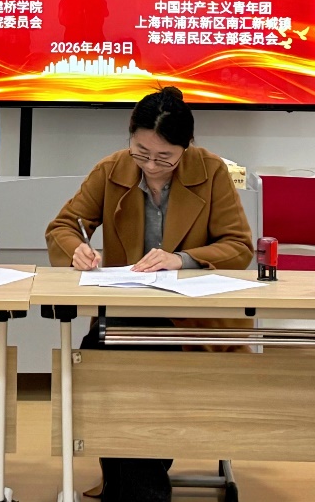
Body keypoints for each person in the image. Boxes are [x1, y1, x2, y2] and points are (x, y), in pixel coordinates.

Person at [45, 86, 253, 502]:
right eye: (141, 153)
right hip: (126, 313)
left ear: (186, 147)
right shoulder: (112, 169)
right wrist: (77, 249)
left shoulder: (211, 171)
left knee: (139, 373)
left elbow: (239, 246)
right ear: (130, 138)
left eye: (164, 158)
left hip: (194, 319)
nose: (152, 166)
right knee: (94, 360)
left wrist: (182, 259)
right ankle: (139, 491)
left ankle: (135, 491)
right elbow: (63, 227)